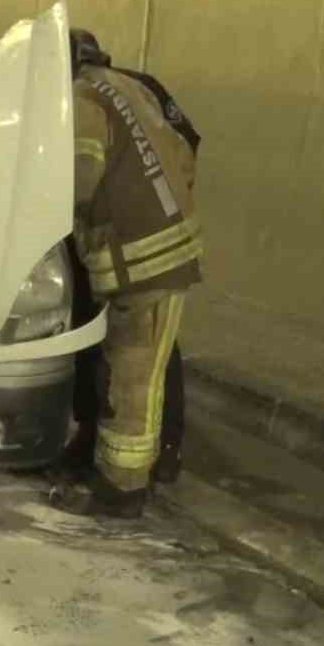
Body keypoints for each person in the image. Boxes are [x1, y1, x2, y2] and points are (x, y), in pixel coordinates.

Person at [50, 28, 203, 519]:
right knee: (131, 365)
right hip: (162, 244)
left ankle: (122, 490)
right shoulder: (129, 87)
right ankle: (123, 471)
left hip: (142, 256)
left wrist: (46, 213)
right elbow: (183, 150)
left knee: (134, 374)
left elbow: (80, 174)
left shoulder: (82, 99)